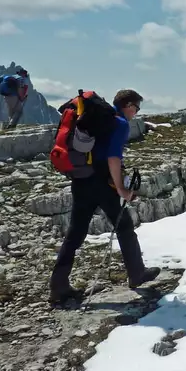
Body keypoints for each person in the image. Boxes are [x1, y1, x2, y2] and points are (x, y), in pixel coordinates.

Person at [48, 89, 161, 304]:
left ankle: (58, 286)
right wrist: (121, 189)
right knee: (124, 225)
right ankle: (136, 273)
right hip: (102, 183)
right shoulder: (119, 123)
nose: (136, 112)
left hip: (80, 181)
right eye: (136, 107)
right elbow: (113, 158)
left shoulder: (98, 120)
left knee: (75, 233)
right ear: (127, 105)